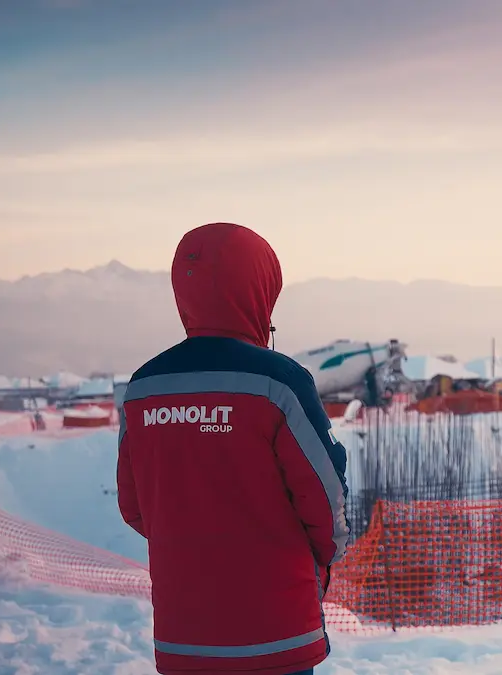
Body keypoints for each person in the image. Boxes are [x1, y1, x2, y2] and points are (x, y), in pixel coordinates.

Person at [116, 222, 352, 675]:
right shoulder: (279, 382)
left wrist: (193, 546)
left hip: (183, 637)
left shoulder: (144, 388)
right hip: (278, 633)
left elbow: (134, 507)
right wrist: (323, 560)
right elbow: (324, 499)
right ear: (260, 288)